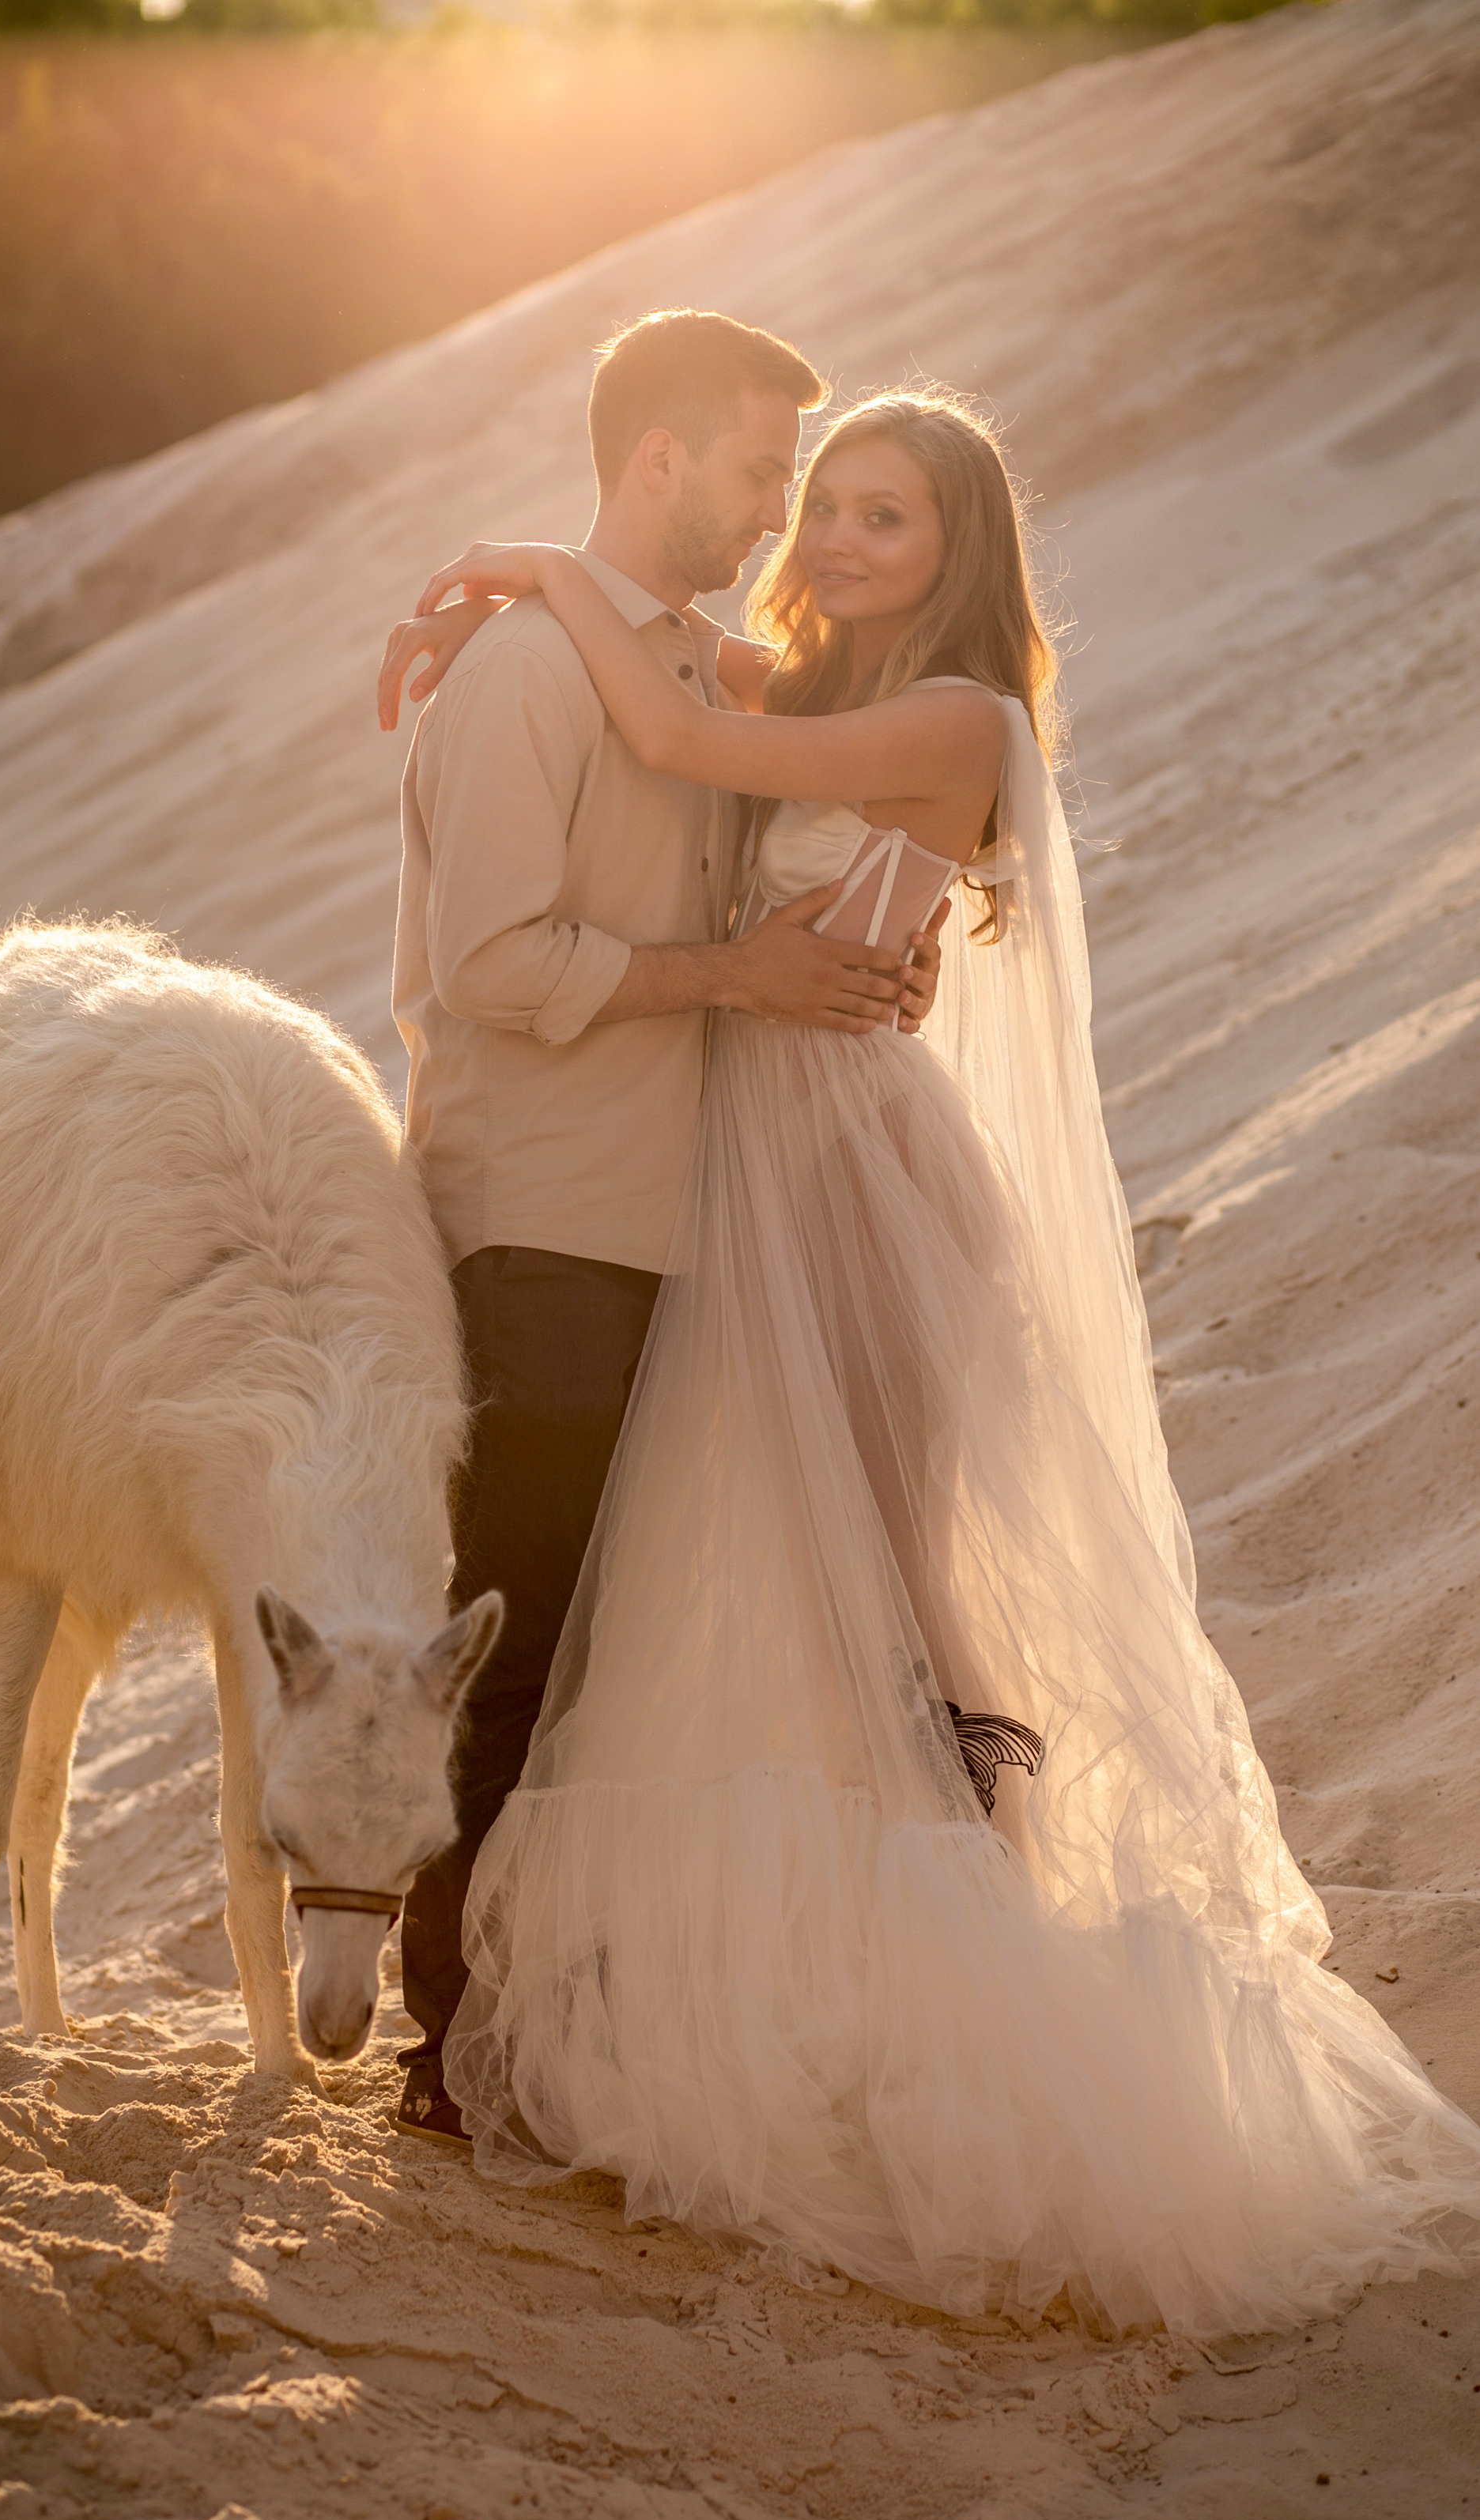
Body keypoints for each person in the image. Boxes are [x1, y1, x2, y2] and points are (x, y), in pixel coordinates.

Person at [379, 386, 1480, 2332]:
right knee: (758, 1609)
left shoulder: (956, 722)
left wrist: (542, 563)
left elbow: (680, 728)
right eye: (816, 505)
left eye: (881, 518)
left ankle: (970, 2046)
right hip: (739, 1182)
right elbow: (675, 683)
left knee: (903, 1622)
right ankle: (746, 2005)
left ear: (959, 550)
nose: (829, 541)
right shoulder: (800, 680)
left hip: (860, 1191)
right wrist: (511, 620)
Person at [384, 313, 949, 2145]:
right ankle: (448, 2052)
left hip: (685, 1224)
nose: (775, 512)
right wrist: (737, 973)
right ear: (657, 464)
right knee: (521, 1646)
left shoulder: (694, 673)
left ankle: (556, 2030)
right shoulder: (526, 681)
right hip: (543, 1216)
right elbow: (484, 962)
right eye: (759, 473)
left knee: (616, 1661)